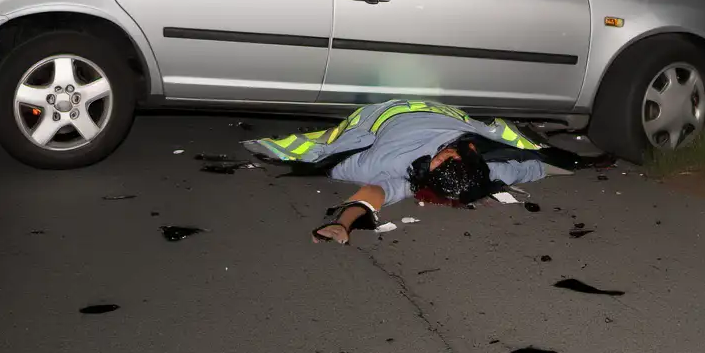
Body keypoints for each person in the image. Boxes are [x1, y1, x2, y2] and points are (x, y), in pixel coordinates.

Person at [241, 99, 611, 244]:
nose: (445, 152)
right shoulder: (484, 165)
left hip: (383, 110)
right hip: (433, 105)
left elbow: (374, 196)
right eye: (451, 154)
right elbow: (532, 165)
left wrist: (345, 221)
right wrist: (576, 163)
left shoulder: (396, 170)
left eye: (444, 159)